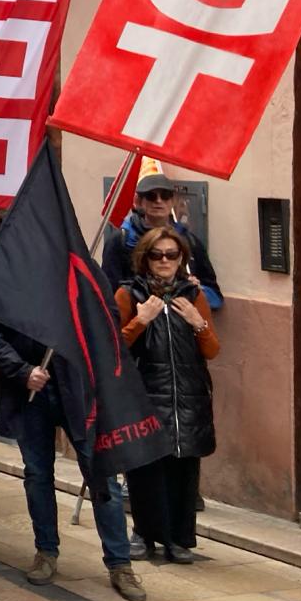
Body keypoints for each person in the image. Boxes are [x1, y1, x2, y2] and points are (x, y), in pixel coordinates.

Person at [0, 319, 147, 601]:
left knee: (103, 475)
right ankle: (46, 551)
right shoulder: (13, 280)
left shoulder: (79, 278)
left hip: (80, 390)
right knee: (37, 475)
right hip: (30, 392)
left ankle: (120, 563)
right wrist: (21, 370)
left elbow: (102, 329)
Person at [116, 227, 218, 564]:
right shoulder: (129, 294)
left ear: (182, 259)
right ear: (144, 258)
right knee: (148, 469)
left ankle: (178, 538)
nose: (164, 261)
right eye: (157, 255)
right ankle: (144, 534)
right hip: (146, 393)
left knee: (184, 469)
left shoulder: (193, 295)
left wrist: (197, 321)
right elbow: (113, 347)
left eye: (171, 255)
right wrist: (140, 321)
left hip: (187, 394)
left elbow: (213, 350)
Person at [102, 173, 223, 308]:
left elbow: (216, 298)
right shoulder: (120, 241)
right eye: (151, 196)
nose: (158, 201)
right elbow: (108, 296)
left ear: (173, 201)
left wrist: (196, 291)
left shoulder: (189, 241)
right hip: (138, 322)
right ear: (139, 201)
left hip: (180, 324)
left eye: (165, 196)